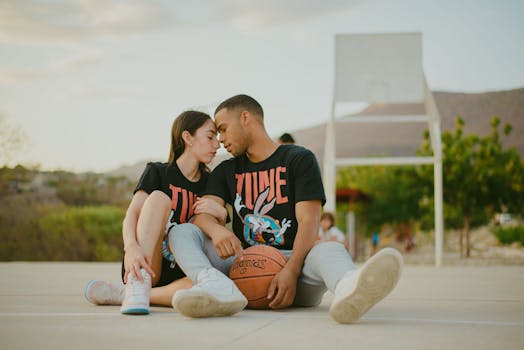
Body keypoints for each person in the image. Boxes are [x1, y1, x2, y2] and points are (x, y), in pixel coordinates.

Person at [169, 94, 403, 323]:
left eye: (223, 128)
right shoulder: (225, 170)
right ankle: (214, 286)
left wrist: (291, 270)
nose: (220, 139)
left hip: (295, 266)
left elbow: (309, 222)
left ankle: (349, 288)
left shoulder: (298, 159)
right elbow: (202, 217)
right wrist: (218, 230)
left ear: (245, 118)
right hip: (243, 266)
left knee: (329, 249)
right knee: (181, 232)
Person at [84, 110, 226, 314]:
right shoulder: (158, 172)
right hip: (145, 261)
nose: (217, 144)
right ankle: (137, 282)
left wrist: (220, 213)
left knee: (204, 287)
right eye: (210, 137)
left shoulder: (210, 182)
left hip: (182, 273)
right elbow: (132, 214)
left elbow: (211, 238)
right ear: (188, 138)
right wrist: (131, 247)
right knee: (159, 198)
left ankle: (127, 293)